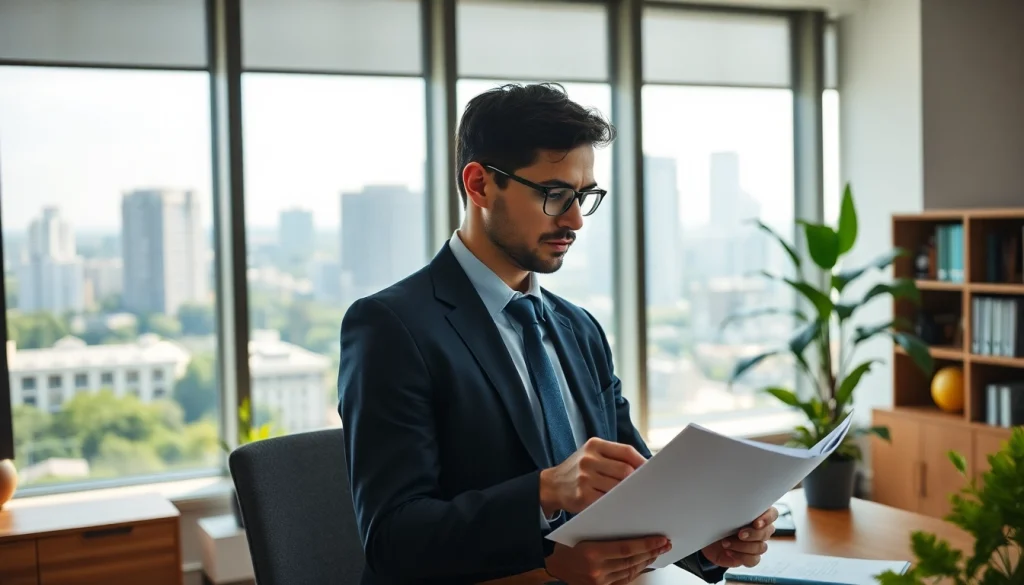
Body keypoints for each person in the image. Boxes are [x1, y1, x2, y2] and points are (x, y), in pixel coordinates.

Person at [337, 83, 778, 585]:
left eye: (583, 197)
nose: (574, 221)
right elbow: (394, 538)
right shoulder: (391, 327)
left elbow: (640, 488)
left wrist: (708, 538)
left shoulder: (579, 329)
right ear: (480, 185)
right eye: (553, 195)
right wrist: (544, 493)